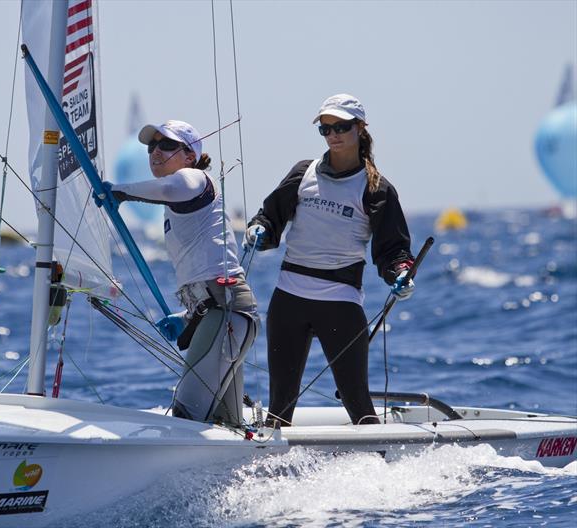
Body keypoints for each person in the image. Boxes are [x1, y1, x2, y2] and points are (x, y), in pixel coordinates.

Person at [246, 94, 415, 427]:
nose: (333, 134)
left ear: (360, 129)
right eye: (325, 128)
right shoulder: (302, 172)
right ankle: (268, 474)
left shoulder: (377, 188)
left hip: (340, 300)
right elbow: (271, 216)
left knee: (356, 399)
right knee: (280, 404)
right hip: (289, 298)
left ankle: (383, 473)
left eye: (341, 127)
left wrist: (401, 273)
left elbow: (393, 249)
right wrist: (258, 229)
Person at [99, 120, 258, 425]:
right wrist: (187, 317)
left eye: (167, 145)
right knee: (225, 424)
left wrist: (120, 191)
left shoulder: (194, 178)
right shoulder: (177, 206)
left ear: (190, 155)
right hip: (218, 313)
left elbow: (172, 187)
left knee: (187, 416)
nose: (156, 151)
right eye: (152, 146)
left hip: (228, 313)